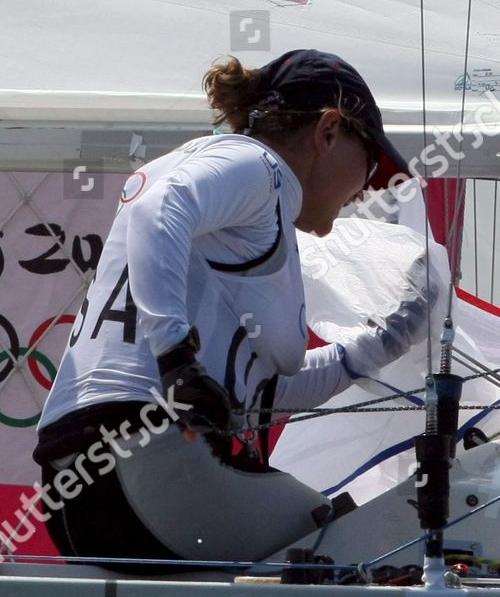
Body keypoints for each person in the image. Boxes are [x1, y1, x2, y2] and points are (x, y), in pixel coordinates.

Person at [33, 49, 433, 567]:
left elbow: (258, 390)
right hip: (146, 459)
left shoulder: (232, 192)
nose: (367, 189)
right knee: (363, 550)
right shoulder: (259, 167)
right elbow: (157, 211)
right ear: (329, 131)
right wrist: (175, 356)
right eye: (370, 162)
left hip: (84, 482)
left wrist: (384, 342)